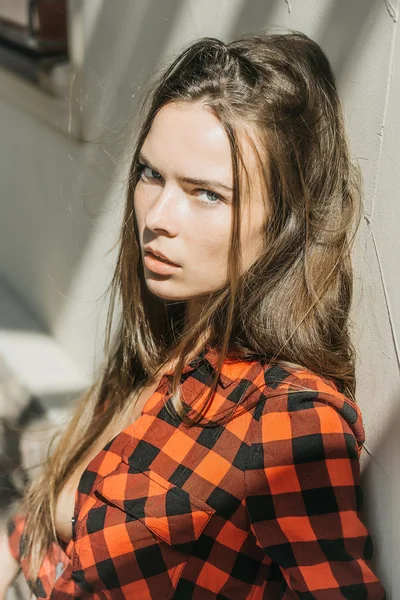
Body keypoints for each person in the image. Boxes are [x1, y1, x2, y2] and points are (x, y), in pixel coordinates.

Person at [0, 29, 386, 599]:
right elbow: (44, 534)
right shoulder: (161, 343)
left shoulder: (288, 422)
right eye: (151, 174)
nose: (158, 215)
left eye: (206, 193)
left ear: (284, 222)